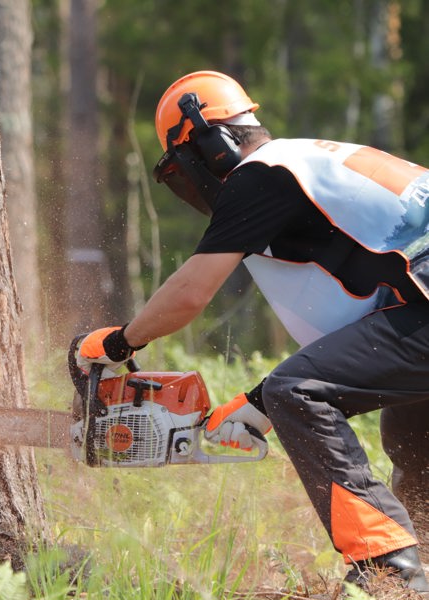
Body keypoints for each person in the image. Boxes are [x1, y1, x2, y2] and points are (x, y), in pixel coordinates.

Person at [71, 70, 429, 594]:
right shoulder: (307, 164)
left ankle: (389, 571)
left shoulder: (259, 175)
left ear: (210, 144)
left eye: (184, 170)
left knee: (298, 391)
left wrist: (121, 341)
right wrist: (258, 406)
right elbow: (369, 337)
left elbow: (191, 292)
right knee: (412, 429)